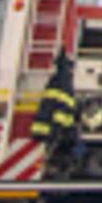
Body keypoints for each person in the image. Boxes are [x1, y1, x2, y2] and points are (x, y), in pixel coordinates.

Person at [36, 53, 84, 182]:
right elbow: (64, 108)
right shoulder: (65, 82)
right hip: (58, 130)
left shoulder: (58, 80)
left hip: (51, 129)